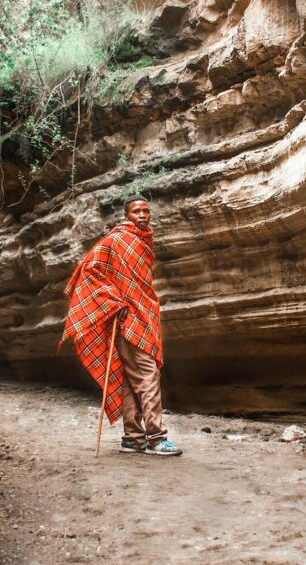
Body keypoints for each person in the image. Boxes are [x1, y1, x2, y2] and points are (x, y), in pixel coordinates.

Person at [60, 195, 182, 456]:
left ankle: (133, 438)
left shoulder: (142, 240)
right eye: (137, 211)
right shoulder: (116, 239)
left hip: (141, 315)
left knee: (131, 379)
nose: (142, 215)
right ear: (127, 215)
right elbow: (89, 269)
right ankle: (156, 439)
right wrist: (112, 300)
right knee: (148, 377)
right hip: (130, 318)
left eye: (146, 211)